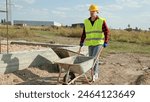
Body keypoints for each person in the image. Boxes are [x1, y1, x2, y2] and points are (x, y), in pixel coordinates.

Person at [79, 4, 110, 82]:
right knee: (90, 59)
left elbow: (107, 31)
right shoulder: (86, 21)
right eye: (91, 11)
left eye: (93, 11)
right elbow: (84, 33)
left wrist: (105, 41)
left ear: (97, 12)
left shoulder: (101, 21)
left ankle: (95, 74)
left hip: (98, 43)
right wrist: (82, 41)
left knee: (94, 59)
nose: (92, 12)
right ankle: (93, 74)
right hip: (90, 44)